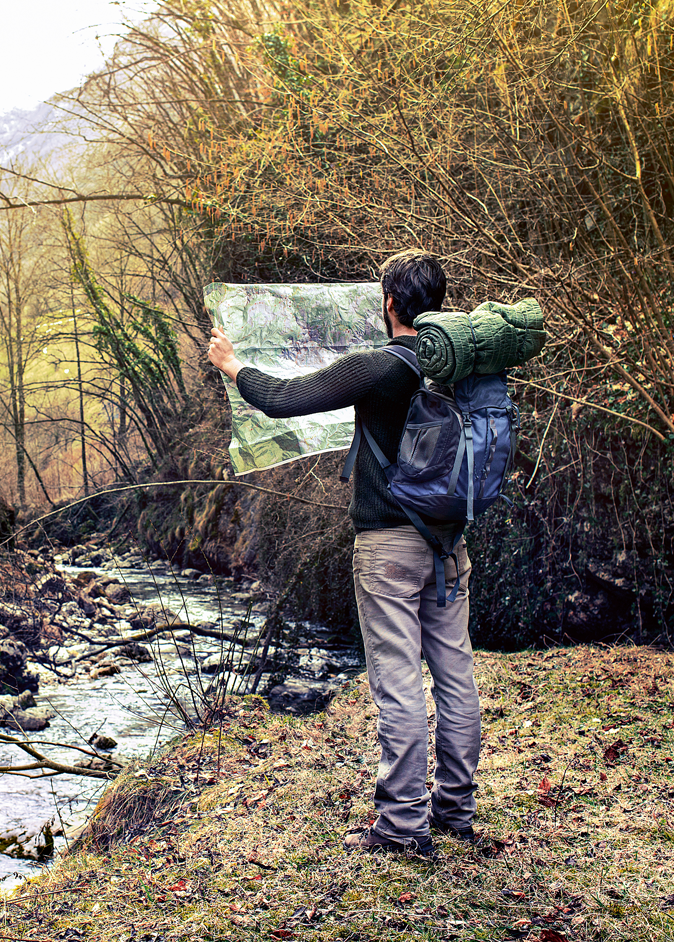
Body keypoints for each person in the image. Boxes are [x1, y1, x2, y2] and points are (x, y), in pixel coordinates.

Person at [206, 249, 481, 858]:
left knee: (399, 681)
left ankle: (403, 825)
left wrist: (233, 365)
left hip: (387, 549)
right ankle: (456, 811)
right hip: (448, 543)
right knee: (456, 674)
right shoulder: (456, 368)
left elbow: (282, 399)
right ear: (439, 303)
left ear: (389, 305)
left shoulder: (380, 369)